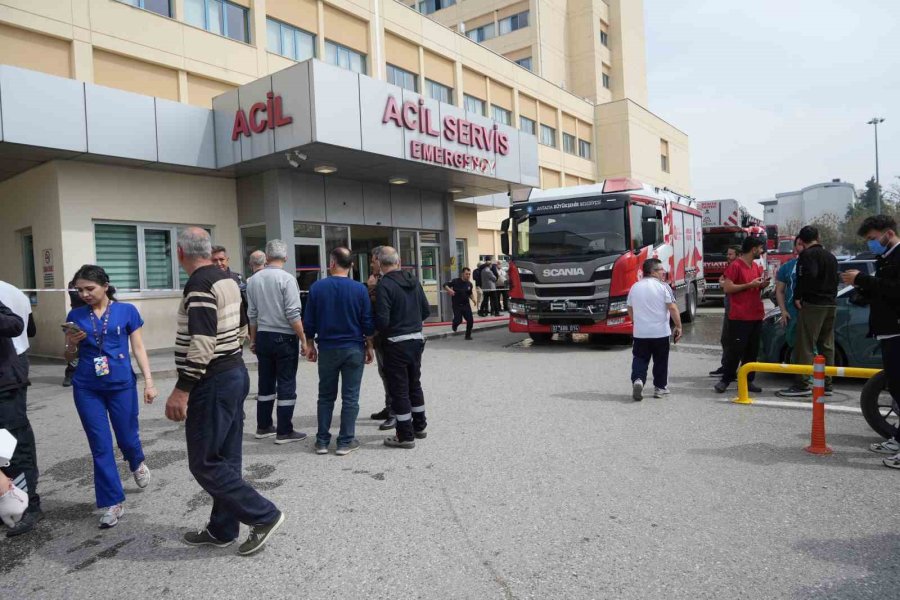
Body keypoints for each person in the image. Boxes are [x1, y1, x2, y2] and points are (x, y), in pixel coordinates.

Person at [166, 227, 284, 556]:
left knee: (204, 462)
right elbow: (243, 326)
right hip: (234, 371)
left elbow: (202, 342)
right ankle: (222, 528)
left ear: (180, 253)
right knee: (226, 460)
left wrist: (182, 389)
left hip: (213, 380)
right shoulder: (229, 279)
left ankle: (264, 515)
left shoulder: (200, 283)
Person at [63, 265, 156, 529]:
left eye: (89, 288)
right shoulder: (75, 315)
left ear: (105, 285)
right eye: (80, 290)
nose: (84, 294)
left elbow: (138, 347)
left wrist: (149, 382)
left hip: (121, 383)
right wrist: (72, 343)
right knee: (100, 445)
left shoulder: (126, 311)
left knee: (127, 436)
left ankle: (136, 461)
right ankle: (112, 501)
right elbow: (68, 357)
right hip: (86, 386)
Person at [841, 215, 900, 469]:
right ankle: (897, 439)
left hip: (897, 331)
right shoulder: (886, 258)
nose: (872, 244)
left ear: (888, 233)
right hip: (887, 331)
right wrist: (862, 291)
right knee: (896, 390)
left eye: (873, 239)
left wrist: (861, 280)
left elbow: (896, 290)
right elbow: (883, 291)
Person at [303, 248, 375, 456]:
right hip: (353, 347)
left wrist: (309, 344)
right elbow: (367, 321)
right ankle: (345, 441)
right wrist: (369, 346)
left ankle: (322, 441)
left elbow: (309, 320)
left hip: (327, 348)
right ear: (351, 265)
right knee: (350, 397)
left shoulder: (317, 288)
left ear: (332, 263)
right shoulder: (359, 289)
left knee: (325, 396)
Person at [246, 239, 309, 444]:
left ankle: (263, 426)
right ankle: (284, 430)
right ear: (286, 257)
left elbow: (252, 314)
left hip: (263, 335)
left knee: (265, 382)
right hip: (284, 337)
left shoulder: (253, 280)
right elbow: (293, 313)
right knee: (286, 383)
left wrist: (253, 339)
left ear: (266, 255)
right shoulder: (287, 279)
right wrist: (304, 340)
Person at [374, 247, 430, 449]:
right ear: (398, 262)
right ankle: (420, 426)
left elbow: (382, 320)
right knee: (414, 385)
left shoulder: (385, 285)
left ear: (380, 264)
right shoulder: (414, 281)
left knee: (399, 390)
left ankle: (405, 435)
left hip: (395, 343)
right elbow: (425, 310)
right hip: (416, 340)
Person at [776, 227, 839, 398]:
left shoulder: (807, 256)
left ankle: (803, 384)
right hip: (831, 304)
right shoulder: (831, 257)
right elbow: (835, 280)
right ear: (818, 237)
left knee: (805, 345)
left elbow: (807, 277)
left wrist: (799, 296)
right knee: (827, 345)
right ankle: (827, 384)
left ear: (802, 241)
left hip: (813, 304)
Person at [0, 300, 41, 537]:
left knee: (14, 447)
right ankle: (7, 500)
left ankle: (29, 505)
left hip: (5, 387)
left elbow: (16, 324)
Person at [714, 237, 768, 394]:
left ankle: (748, 380)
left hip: (756, 315)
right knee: (735, 350)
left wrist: (761, 285)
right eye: (760, 248)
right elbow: (727, 288)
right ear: (753, 249)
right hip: (739, 316)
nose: (761, 251)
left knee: (752, 351)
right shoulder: (736, 265)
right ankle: (725, 379)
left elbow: (755, 288)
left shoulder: (756, 266)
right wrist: (749, 285)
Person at [627, 259, 683, 400]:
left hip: (641, 333)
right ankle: (660, 388)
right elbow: (672, 307)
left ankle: (638, 380)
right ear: (652, 272)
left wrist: (635, 321)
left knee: (640, 358)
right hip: (660, 333)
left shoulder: (635, 287)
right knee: (660, 361)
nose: (663, 272)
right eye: (660, 270)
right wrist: (678, 326)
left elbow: (629, 308)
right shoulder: (663, 287)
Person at [367, 247, 395, 431]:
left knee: (391, 374)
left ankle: (395, 411)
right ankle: (389, 406)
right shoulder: (377, 279)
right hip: (379, 335)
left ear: (380, 260)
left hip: (389, 335)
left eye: (373, 260)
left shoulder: (387, 281)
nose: (371, 264)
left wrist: (371, 289)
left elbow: (382, 306)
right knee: (383, 372)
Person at [709, 246, 740, 377]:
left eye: (730, 254)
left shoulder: (737, 267)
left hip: (735, 309)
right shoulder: (730, 267)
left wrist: (723, 283)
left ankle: (730, 370)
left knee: (731, 339)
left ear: (738, 255)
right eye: (727, 254)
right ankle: (726, 366)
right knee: (726, 339)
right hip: (729, 308)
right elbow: (722, 279)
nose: (728, 256)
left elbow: (725, 283)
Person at [773, 237, 805, 361]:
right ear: (795, 247)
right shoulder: (787, 267)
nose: (802, 246)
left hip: (811, 311)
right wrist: (783, 311)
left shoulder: (816, 263)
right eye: (799, 244)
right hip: (792, 312)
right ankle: (801, 375)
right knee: (795, 344)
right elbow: (779, 291)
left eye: (804, 244)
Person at [63, 277, 87, 387]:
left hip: (89, 318)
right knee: (73, 346)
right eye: (81, 290)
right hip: (77, 319)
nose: (85, 294)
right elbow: (75, 297)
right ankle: (70, 373)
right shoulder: (73, 284)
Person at [444, 268, 475, 339]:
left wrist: (473, 299)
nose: (468, 275)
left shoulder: (469, 284)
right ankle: (454, 325)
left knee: (470, 320)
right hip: (457, 305)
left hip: (466, 305)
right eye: (466, 274)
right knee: (458, 320)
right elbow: (445, 284)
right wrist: (449, 290)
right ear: (462, 274)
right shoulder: (455, 281)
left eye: (469, 274)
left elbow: (470, 293)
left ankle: (468, 336)